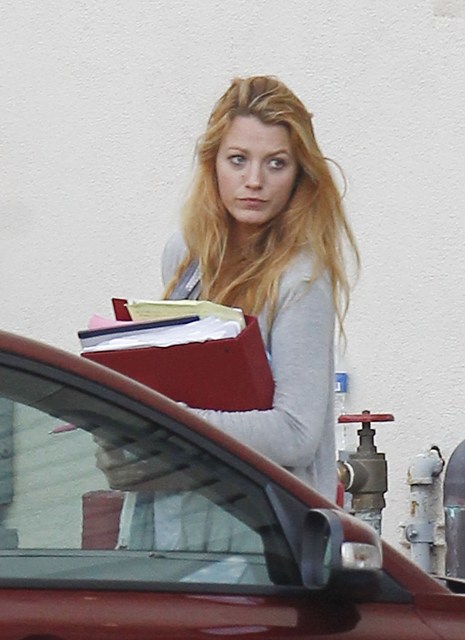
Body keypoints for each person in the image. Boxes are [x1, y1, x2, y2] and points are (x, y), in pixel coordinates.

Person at [96, 75, 359, 548]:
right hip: (171, 528)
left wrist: (168, 422)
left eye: (276, 163)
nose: (254, 181)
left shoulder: (301, 279)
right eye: (238, 159)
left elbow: (296, 434)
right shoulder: (185, 255)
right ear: (213, 162)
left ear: (299, 174)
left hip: (262, 542)